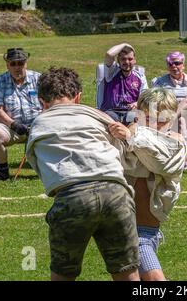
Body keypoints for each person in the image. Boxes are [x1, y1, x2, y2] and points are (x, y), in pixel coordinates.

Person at [26, 67, 140, 281]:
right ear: (78, 96)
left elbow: (39, 166)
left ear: (42, 102)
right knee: (127, 271)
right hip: (116, 190)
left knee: (63, 273)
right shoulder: (98, 116)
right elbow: (122, 152)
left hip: (72, 194)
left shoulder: (39, 124)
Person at [109, 88, 187, 281]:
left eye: (164, 121)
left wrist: (131, 136)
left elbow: (159, 161)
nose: (158, 125)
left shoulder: (175, 142)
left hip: (145, 232)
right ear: (139, 114)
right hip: (119, 227)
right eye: (151, 118)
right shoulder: (128, 132)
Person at [0, 47, 42, 181]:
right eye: (13, 64)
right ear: (7, 65)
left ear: (26, 63)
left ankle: (51, 169)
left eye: (20, 63)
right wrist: (14, 125)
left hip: (39, 126)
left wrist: (40, 123)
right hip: (12, 128)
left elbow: (49, 104)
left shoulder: (39, 78)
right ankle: (3, 173)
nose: (17, 67)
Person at [151, 51, 187, 136]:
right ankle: (181, 145)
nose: (174, 66)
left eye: (177, 63)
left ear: (183, 65)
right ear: (167, 67)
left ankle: (170, 122)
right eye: (170, 64)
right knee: (181, 120)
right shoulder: (160, 82)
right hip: (168, 114)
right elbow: (153, 100)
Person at [97, 43, 148, 124]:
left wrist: (136, 103)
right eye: (123, 59)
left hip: (130, 112)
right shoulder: (111, 72)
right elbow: (109, 54)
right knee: (114, 122)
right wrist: (125, 44)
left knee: (135, 120)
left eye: (130, 59)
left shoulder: (140, 77)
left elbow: (145, 98)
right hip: (111, 111)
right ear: (118, 61)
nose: (127, 62)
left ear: (135, 60)